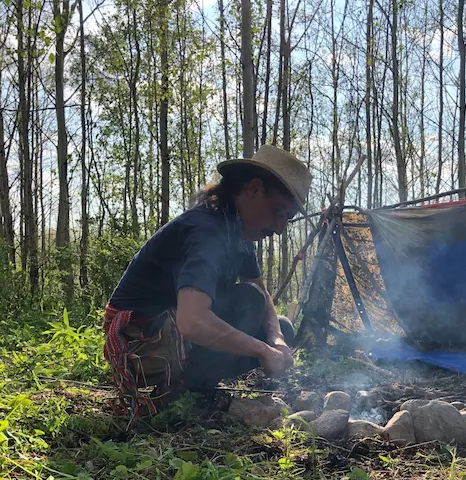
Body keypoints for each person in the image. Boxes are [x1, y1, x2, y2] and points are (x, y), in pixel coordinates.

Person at [103, 145, 312, 414]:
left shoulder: (237, 233)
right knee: (248, 302)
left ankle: (198, 388)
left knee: (280, 325)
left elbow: (263, 294)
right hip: (145, 347)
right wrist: (261, 351)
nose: (280, 229)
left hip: (179, 335)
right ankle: (182, 393)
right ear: (255, 189)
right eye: (281, 214)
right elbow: (192, 321)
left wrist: (275, 340)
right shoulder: (207, 231)